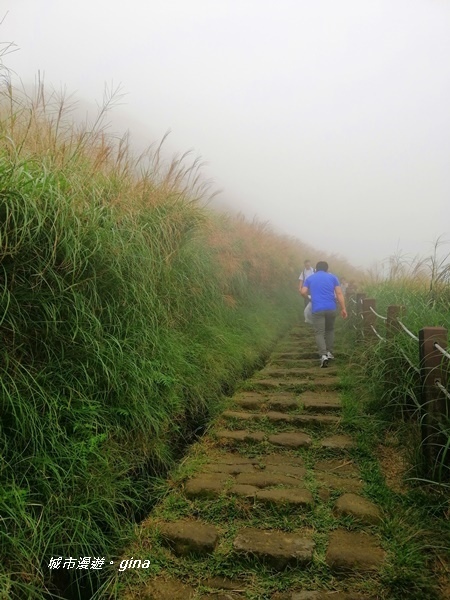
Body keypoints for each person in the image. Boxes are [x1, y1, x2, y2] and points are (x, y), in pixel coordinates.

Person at [301, 261, 347, 368]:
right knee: (330, 330)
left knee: (319, 333)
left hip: (317, 308)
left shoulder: (310, 278)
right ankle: (330, 352)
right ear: (327, 269)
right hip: (331, 308)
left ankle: (323, 355)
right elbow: (339, 293)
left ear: (316, 269)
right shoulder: (333, 278)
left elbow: (303, 292)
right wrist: (343, 308)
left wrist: (308, 298)